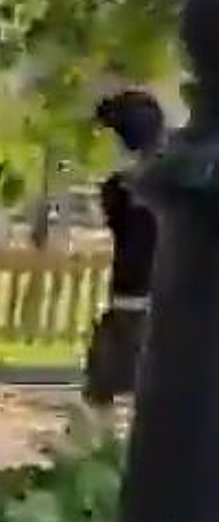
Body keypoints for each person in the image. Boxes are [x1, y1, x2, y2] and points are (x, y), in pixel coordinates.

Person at [84, 91, 164, 419]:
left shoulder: (150, 189)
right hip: (129, 303)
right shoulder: (122, 189)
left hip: (146, 308)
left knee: (121, 400)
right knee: (104, 395)